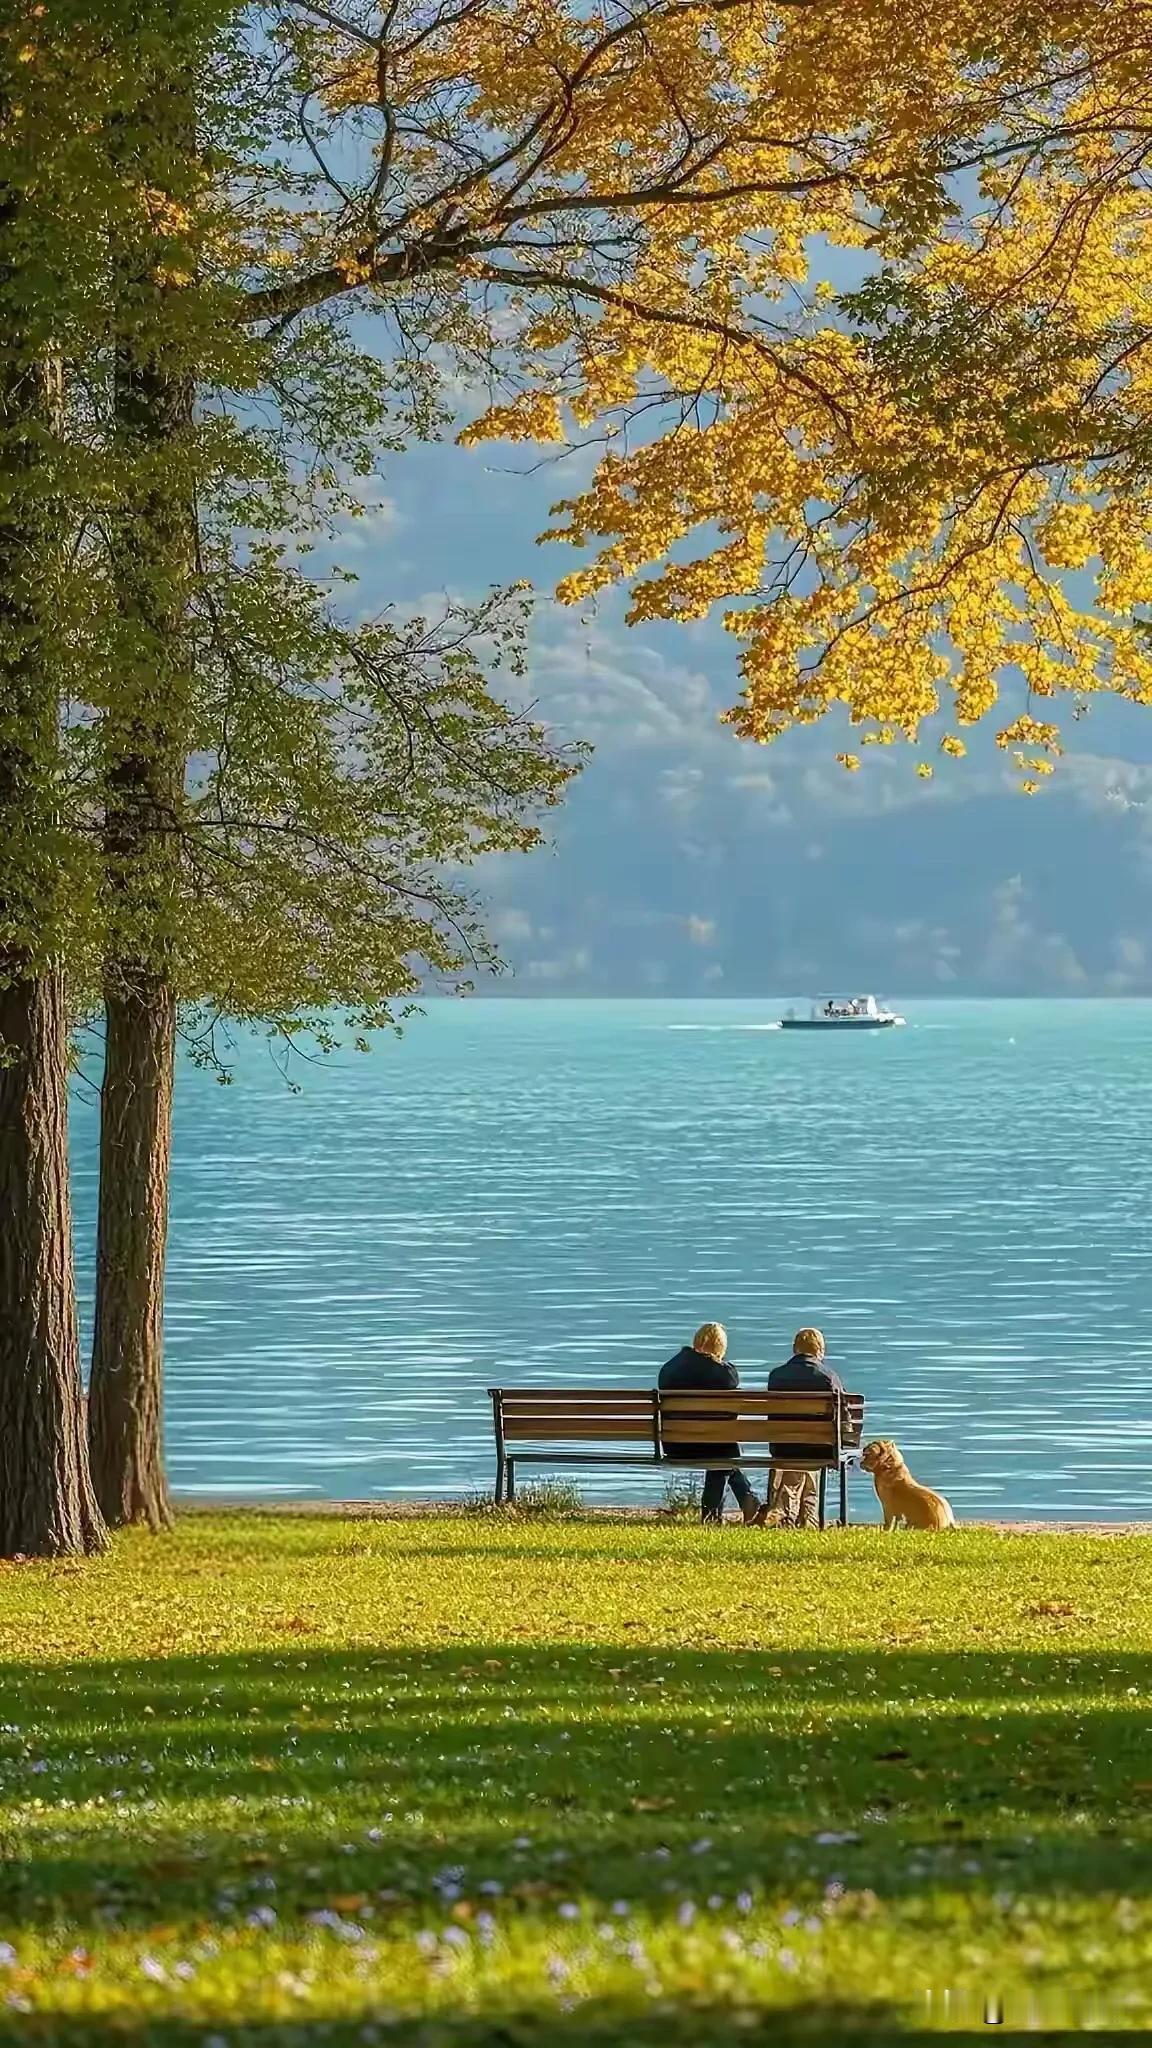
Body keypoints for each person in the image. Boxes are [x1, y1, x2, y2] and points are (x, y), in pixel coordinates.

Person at [659, 1322, 761, 1525]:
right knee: (723, 1452)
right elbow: (732, 1382)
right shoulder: (724, 1373)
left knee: (722, 1451)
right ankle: (729, 1508)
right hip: (712, 1445)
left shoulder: (669, 1369)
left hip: (675, 1444)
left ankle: (723, 1512)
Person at [759, 1326, 843, 1529]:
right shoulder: (828, 1377)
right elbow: (844, 1417)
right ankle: (807, 1517)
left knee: (797, 1449)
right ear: (819, 1351)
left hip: (782, 1447)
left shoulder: (776, 1376)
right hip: (819, 1449)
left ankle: (793, 1515)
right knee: (811, 1448)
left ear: (794, 1349)